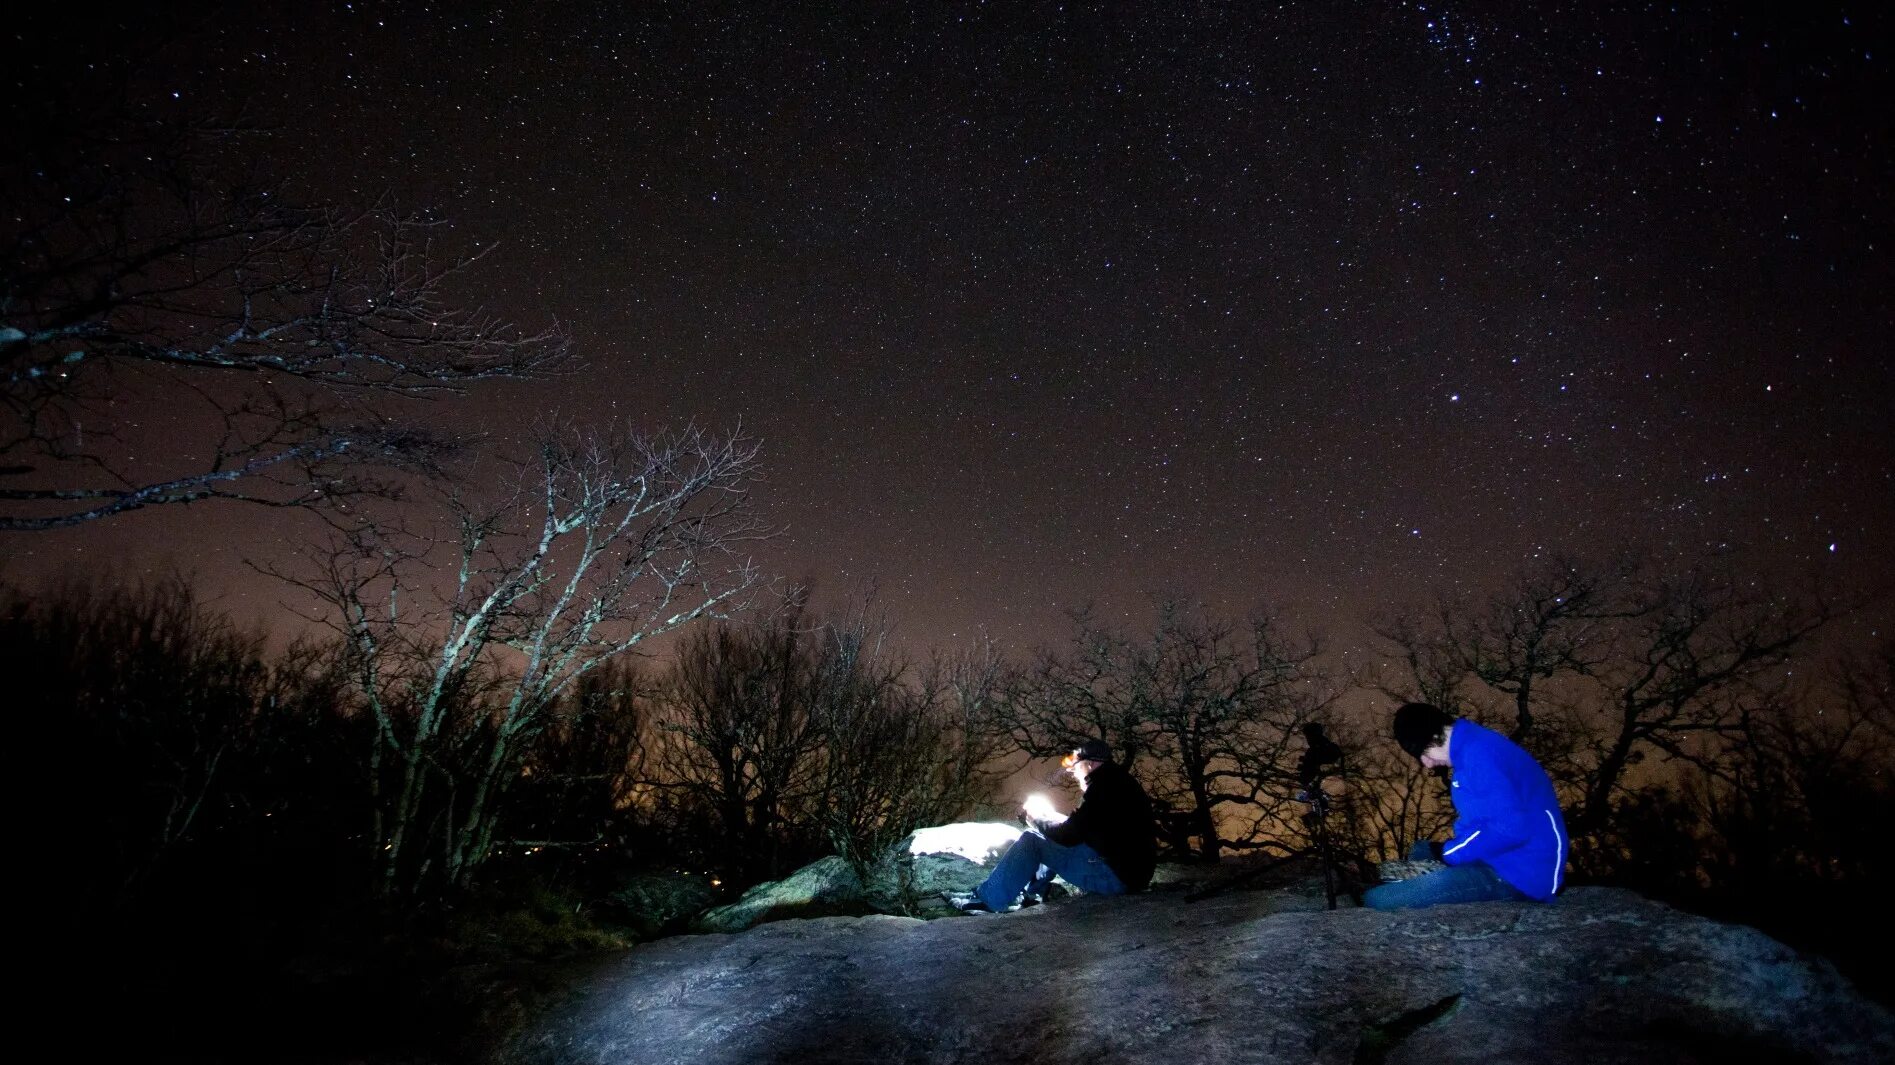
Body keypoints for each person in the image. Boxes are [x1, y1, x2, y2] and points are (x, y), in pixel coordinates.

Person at [1362, 702, 1568, 910]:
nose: (1427, 764)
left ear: (1435, 736)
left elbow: (1510, 829)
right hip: (1500, 857)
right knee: (1421, 850)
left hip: (1519, 875)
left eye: (1424, 752)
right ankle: (1424, 884)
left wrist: (1449, 853)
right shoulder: (1473, 746)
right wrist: (1445, 851)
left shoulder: (1479, 755)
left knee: (1378, 900)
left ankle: (1423, 888)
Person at [947, 738, 1155, 914]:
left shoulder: (1102, 788)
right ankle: (1031, 895)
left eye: (1076, 766)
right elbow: (1085, 828)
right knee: (1048, 834)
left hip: (1115, 878)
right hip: (1130, 873)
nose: (1073, 773)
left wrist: (1036, 820)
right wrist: (1049, 820)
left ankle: (988, 901)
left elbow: (1068, 836)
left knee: (1032, 841)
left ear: (1090, 764)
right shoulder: (1117, 782)